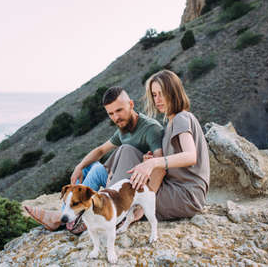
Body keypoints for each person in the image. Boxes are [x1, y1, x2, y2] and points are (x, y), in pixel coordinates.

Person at [24, 86, 165, 233]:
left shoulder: (150, 129)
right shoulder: (124, 127)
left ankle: (67, 217)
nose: (116, 117)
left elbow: (160, 166)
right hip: (122, 177)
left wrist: (144, 204)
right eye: (111, 113)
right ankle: (70, 213)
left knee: (123, 152)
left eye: (119, 110)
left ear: (131, 104)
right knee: (90, 167)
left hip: (134, 188)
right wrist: (79, 167)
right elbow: (101, 150)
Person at [127, 69, 210, 220]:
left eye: (162, 93)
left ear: (174, 92)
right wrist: (150, 162)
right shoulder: (171, 123)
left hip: (186, 195)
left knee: (128, 198)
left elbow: (191, 156)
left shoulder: (181, 118)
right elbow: (172, 166)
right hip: (181, 192)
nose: (157, 99)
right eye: (154, 94)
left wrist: (155, 163)